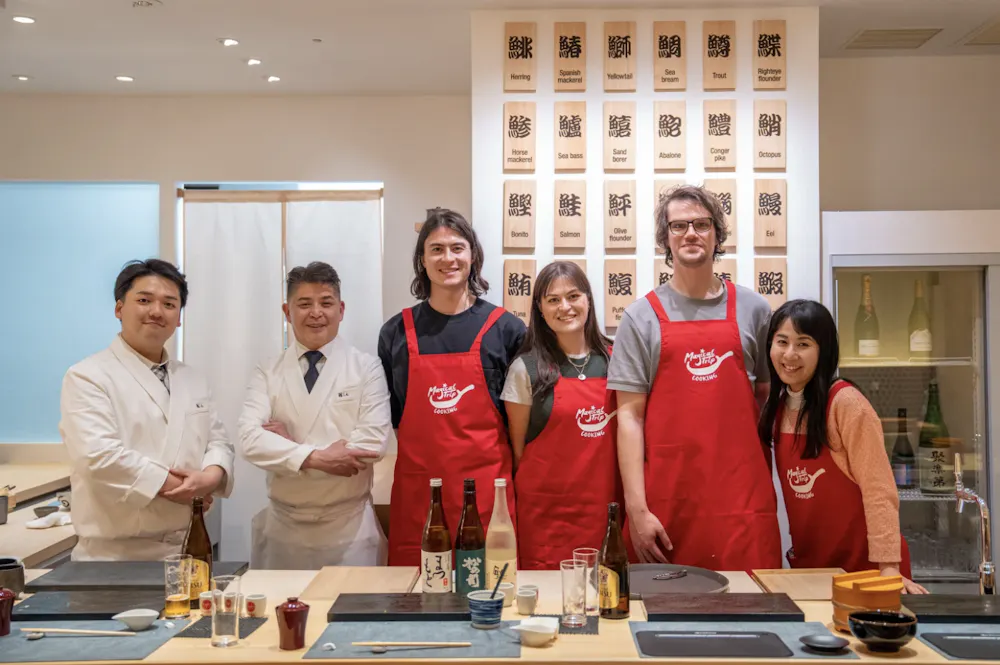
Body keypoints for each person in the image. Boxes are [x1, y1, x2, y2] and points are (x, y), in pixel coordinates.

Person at [609, 184, 782, 569]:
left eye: (702, 224)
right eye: (679, 226)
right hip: (669, 505)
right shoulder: (641, 317)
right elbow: (629, 419)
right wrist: (637, 511)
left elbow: (768, 401)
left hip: (743, 504)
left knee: (753, 615)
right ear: (665, 238)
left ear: (717, 234)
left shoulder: (754, 309)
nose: (690, 233)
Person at [378, 208, 526, 566]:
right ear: (422, 260)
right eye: (437, 249)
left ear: (472, 255)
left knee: (491, 592)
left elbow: (522, 422)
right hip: (420, 492)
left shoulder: (506, 329)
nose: (448, 258)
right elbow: (395, 413)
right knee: (415, 599)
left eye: (457, 248)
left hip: (490, 492)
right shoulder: (396, 332)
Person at [59, 259, 234, 561]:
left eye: (169, 303)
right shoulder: (87, 375)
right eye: (143, 300)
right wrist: (184, 489)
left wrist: (211, 477)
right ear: (119, 309)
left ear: (178, 318)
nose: (156, 311)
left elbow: (218, 441)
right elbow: (99, 456)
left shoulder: (192, 378)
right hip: (116, 557)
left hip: (188, 547)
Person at [758, 299, 927, 593]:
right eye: (781, 342)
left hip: (865, 570)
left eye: (803, 344)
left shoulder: (846, 404)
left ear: (823, 351)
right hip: (812, 570)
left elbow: (879, 489)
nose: (789, 354)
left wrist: (888, 569)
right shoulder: (779, 407)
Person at [240, 262, 391, 569]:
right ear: (287, 311)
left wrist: (288, 448)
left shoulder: (366, 368)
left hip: (348, 532)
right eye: (304, 304)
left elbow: (372, 445)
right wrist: (318, 457)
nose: (316, 313)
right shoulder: (267, 371)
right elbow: (249, 441)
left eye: (326, 303)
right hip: (284, 530)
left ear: (341, 309)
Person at [502, 261, 620, 570]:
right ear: (540, 309)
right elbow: (518, 452)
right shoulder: (525, 369)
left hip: (606, 510)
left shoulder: (616, 358)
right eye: (553, 300)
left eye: (573, 296)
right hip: (545, 515)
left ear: (588, 300)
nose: (564, 307)